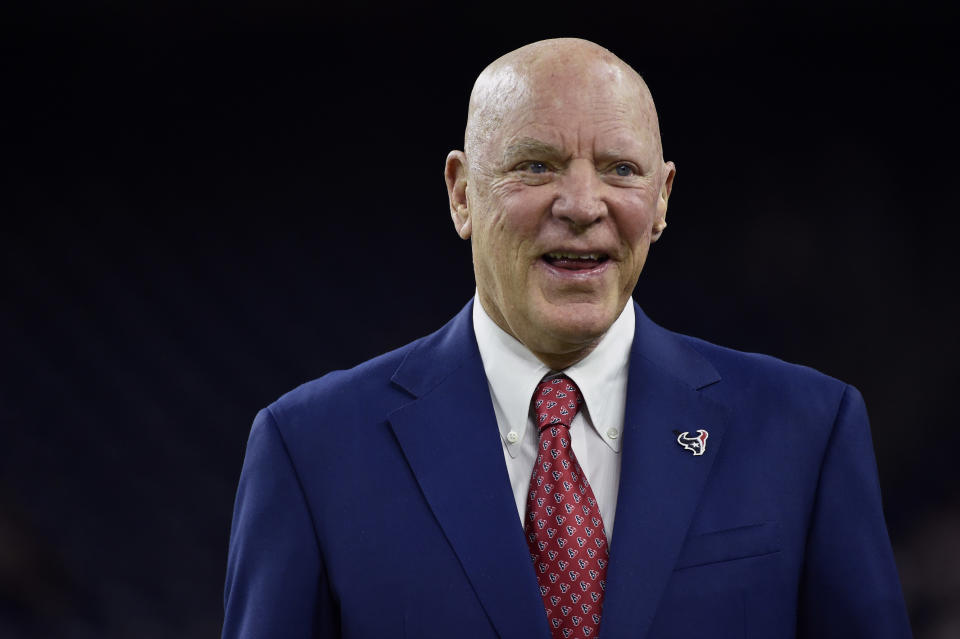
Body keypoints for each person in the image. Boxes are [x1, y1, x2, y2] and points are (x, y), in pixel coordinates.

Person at [222, 38, 912, 638]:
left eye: (620, 169)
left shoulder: (808, 431)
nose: (583, 206)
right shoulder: (309, 450)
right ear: (462, 193)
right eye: (537, 165)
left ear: (663, 198)